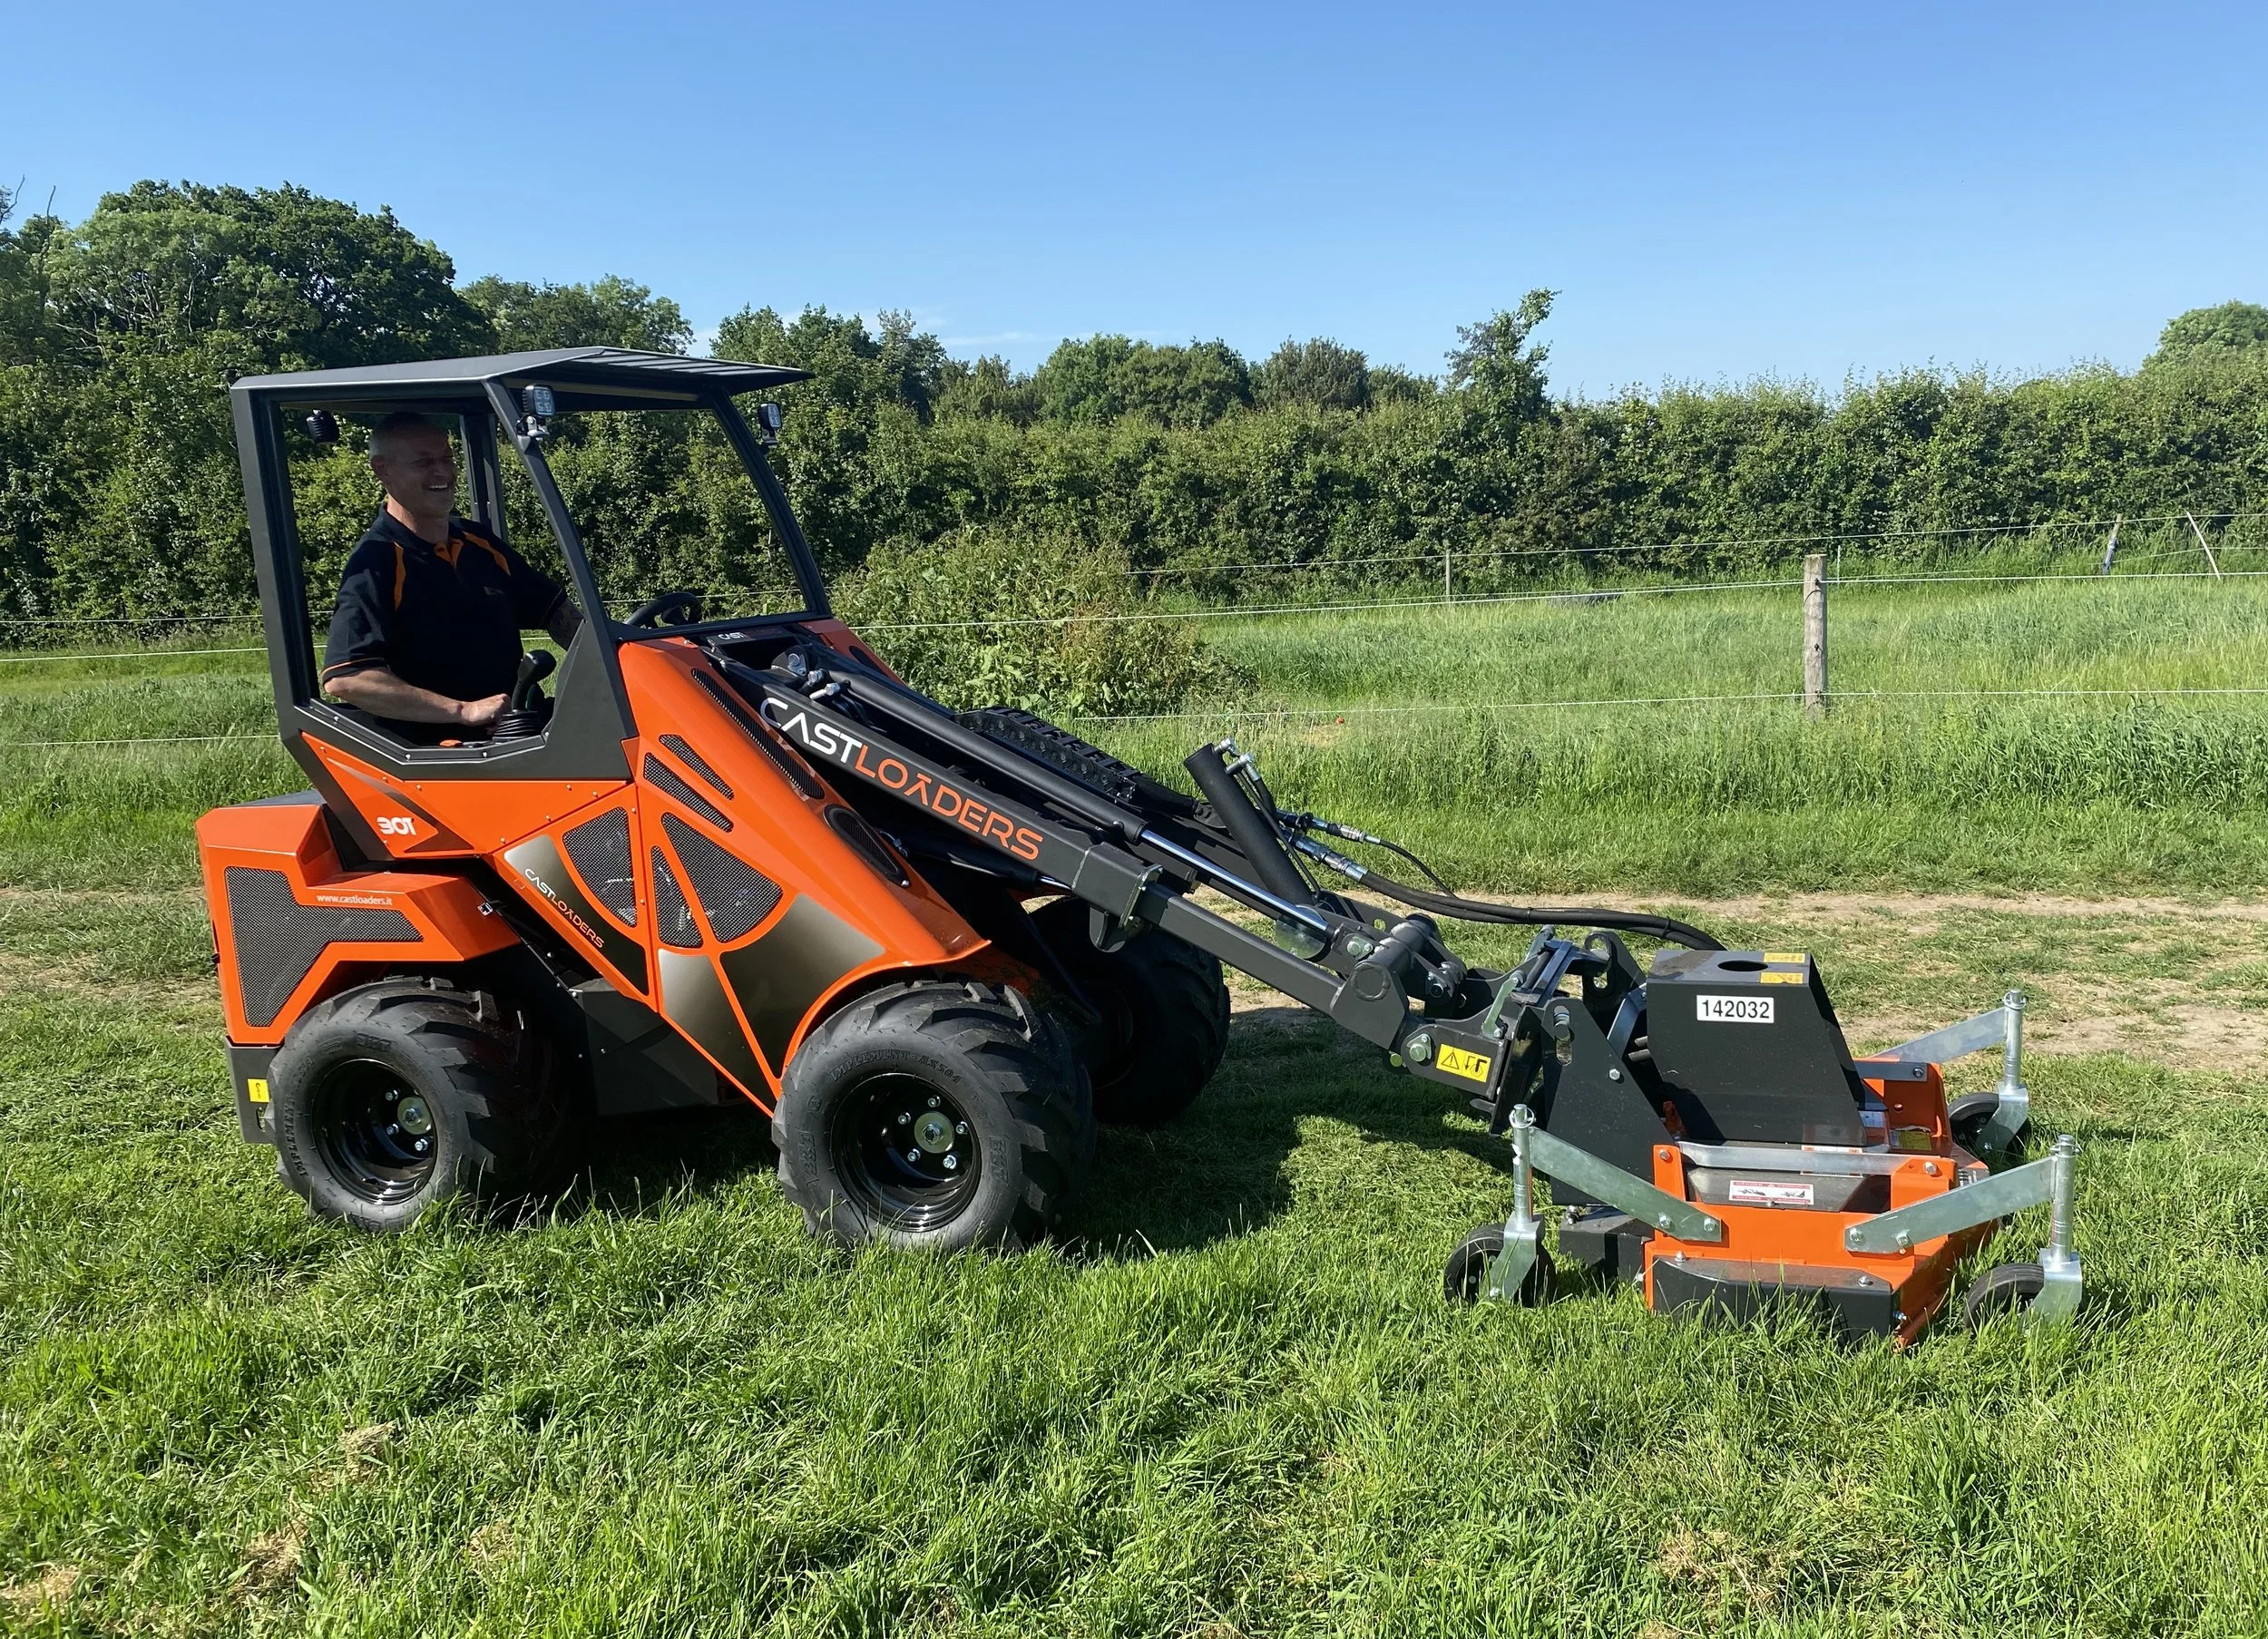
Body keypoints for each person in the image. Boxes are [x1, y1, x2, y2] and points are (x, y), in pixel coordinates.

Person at [322, 412, 581, 738]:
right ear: (382, 470)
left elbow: (558, 613)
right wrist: (463, 710)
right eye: (424, 462)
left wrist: (616, 660)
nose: (442, 472)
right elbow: (347, 679)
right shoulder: (376, 563)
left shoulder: (477, 542)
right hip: (448, 751)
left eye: (447, 458)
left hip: (521, 728)